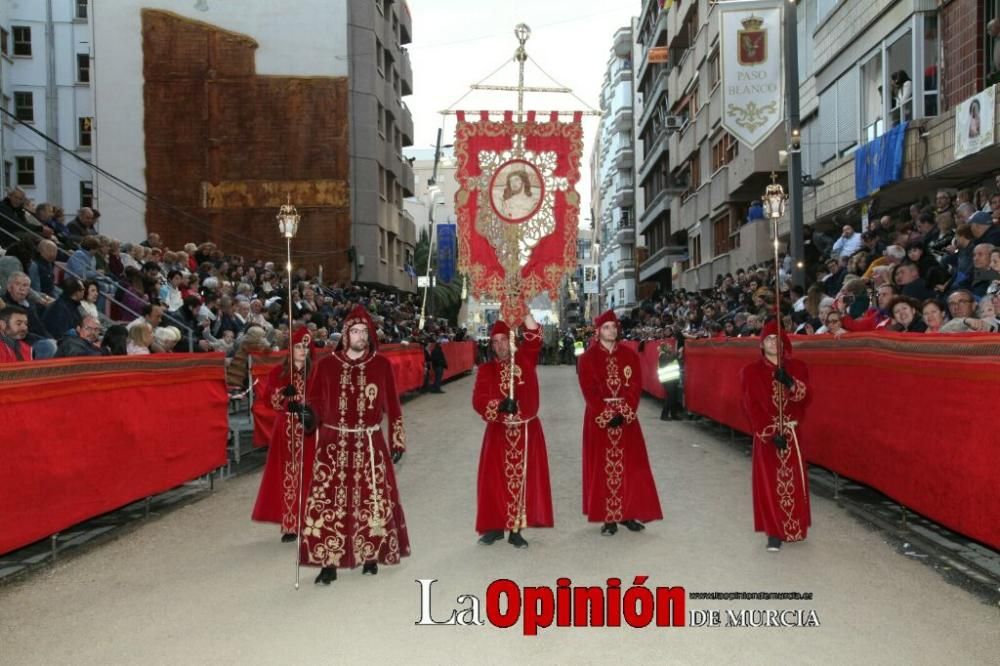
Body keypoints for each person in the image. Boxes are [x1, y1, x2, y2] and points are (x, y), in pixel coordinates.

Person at [296, 305, 409, 585]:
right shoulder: (326, 365)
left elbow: (393, 405)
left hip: (370, 442)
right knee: (329, 502)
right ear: (345, 334)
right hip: (334, 441)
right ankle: (328, 562)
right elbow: (316, 400)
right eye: (354, 331)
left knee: (371, 500)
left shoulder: (381, 365)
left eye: (364, 332)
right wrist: (309, 415)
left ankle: (370, 554)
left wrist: (397, 438)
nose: (359, 336)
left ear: (370, 336)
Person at [577, 310, 662, 536]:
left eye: (614, 327)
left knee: (631, 467)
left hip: (626, 420)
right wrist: (606, 414)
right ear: (598, 331)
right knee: (603, 468)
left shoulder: (630, 356)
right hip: (599, 420)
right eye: (606, 327)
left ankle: (628, 514)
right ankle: (609, 518)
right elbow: (589, 391)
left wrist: (624, 412)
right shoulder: (586, 359)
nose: (611, 331)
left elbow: (635, 386)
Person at [472, 314, 554, 548]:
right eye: (494, 341)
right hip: (499, 431)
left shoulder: (526, 359)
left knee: (524, 481)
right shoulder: (486, 369)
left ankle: (516, 530)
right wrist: (498, 405)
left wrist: (522, 310)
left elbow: (536, 337)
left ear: (512, 340)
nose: (499, 346)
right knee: (494, 482)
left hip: (526, 431)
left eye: (503, 340)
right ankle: (496, 527)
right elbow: (478, 400)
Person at [740, 318, 810, 552]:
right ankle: (774, 532)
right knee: (770, 483)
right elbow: (751, 406)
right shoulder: (750, 372)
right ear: (761, 344)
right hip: (767, 435)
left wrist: (790, 382)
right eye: (768, 338)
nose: (772, 342)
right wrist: (768, 433)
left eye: (776, 338)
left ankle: (794, 527)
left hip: (791, 432)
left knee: (794, 482)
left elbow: (805, 397)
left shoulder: (798, 367)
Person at [252, 327, 317, 543]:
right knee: (288, 475)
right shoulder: (278, 373)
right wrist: (282, 393)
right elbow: (269, 401)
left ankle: (312, 520)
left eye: (305, 347)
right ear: (290, 349)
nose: (301, 350)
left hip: (309, 429)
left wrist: (312, 411)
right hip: (286, 429)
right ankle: (290, 524)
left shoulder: (315, 372)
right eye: (298, 346)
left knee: (310, 474)